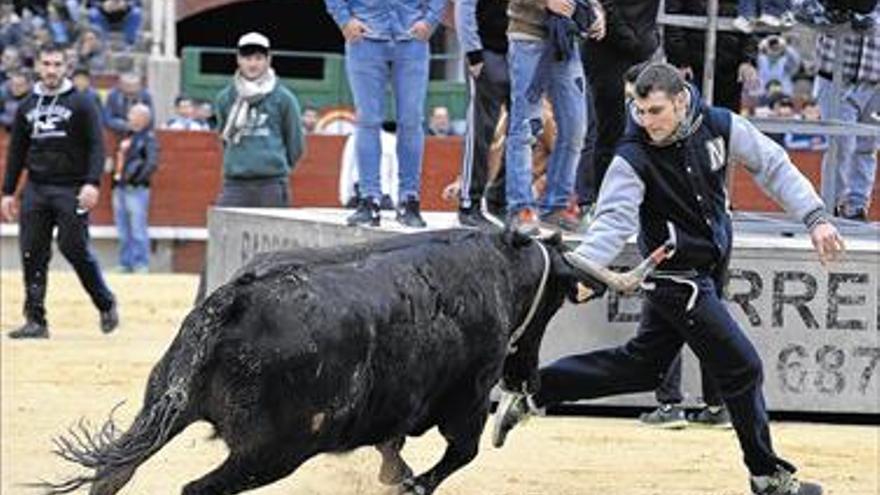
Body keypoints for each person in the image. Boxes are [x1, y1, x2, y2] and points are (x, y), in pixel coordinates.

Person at [494, 63, 844, 495]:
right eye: (639, 111)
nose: (646, 121)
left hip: (710, 266)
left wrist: (815, 217)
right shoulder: (632, 155)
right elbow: (611, 224)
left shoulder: (719, 124)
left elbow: (773, 165)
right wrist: (579, 272)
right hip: (677, 277)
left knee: (642, 365)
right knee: (742, 368)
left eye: (655, 110)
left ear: (681, 101)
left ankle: (531, 391)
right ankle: (767, 478)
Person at [1, 43, 119, 339]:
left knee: (74, 247)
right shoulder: (27, 105)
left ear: (66, 67)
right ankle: (36, 320)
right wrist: (7, 192)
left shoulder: (82, 102)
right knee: (32, 252)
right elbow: (17, 152)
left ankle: (105, 302)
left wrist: (92, 183)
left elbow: (96, 145)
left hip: (72, 188)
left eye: (57, 64)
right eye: (47, 64)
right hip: (36, 189)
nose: (51, 70)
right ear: (38, 67)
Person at [194, 31, 305, 303]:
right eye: (247, 58)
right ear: (238, 60)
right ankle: (204, 303)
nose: (252, 64)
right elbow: (224, 138)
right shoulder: (226, 98)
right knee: (220, 245)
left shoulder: (283, 98)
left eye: (258, 58)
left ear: (268, 60)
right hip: (236, 184)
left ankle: (276, 305)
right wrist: (240, 163)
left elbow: (295, 144)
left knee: (275, 251)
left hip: (271, 184)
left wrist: (275, 166)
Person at [325, 0, 446, 228]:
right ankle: (369, 198)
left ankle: (409, 198)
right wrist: (344, 20)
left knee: (410, 120)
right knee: (368, 120)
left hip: (410, 36)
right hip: (367, 35)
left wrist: (430, 20)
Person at [504, 0, 604, 234]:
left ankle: (555, 206)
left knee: (575, 128)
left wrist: (596, 12)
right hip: (528, 35)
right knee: (525, 127)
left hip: (565, 39)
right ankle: (521, 209)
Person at [814, 6, 880, 221]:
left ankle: (856, 206)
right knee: (840, 145)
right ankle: (830, 206)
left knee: (868, 146)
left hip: (875, 79)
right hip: (836, 76)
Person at [454, 0, 510, 228]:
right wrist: (473, 53)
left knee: (522, 132)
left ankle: (500, 196)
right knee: (481, 129)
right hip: (487, 52)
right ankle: (469, 202)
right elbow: (464, 8)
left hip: (520, 53)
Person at [111, 103, 157, 273]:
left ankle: (140, 263)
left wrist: (136, 180)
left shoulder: (148, 138)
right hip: (120, 186)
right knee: (123, 229)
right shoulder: (127, 136)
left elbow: (151, 163)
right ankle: (126, 262)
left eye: (132, 114)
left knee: (137, 228)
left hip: (136, 188)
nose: (129, 117)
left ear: (143, 118)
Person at [103, 71, 153, 138]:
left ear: (139, 86)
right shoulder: (113, 95)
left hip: (140, 134)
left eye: (133, 92)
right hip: (118, 132)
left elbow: (150, 120)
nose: (130, 94)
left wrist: (137, 124)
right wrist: (125, 125)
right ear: (120, 85)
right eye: (127, 88)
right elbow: (107, 119)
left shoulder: (146, 96)